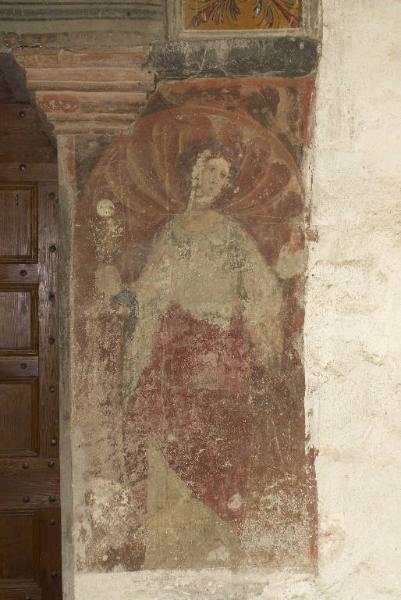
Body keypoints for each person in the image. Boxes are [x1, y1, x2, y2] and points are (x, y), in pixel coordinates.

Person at [100, 141, 285, 567]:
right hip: (175, 348)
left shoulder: (231, 235)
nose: (216, 180)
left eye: (223, 175)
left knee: (216, 442)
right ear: (193, 172)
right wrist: (121, 296)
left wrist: (272, 295)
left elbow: (262, 289)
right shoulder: (172, 232)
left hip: (221, 353)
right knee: (157, 426)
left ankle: (220, 539)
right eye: (210, 170)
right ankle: (174, 543)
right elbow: (150, 291)